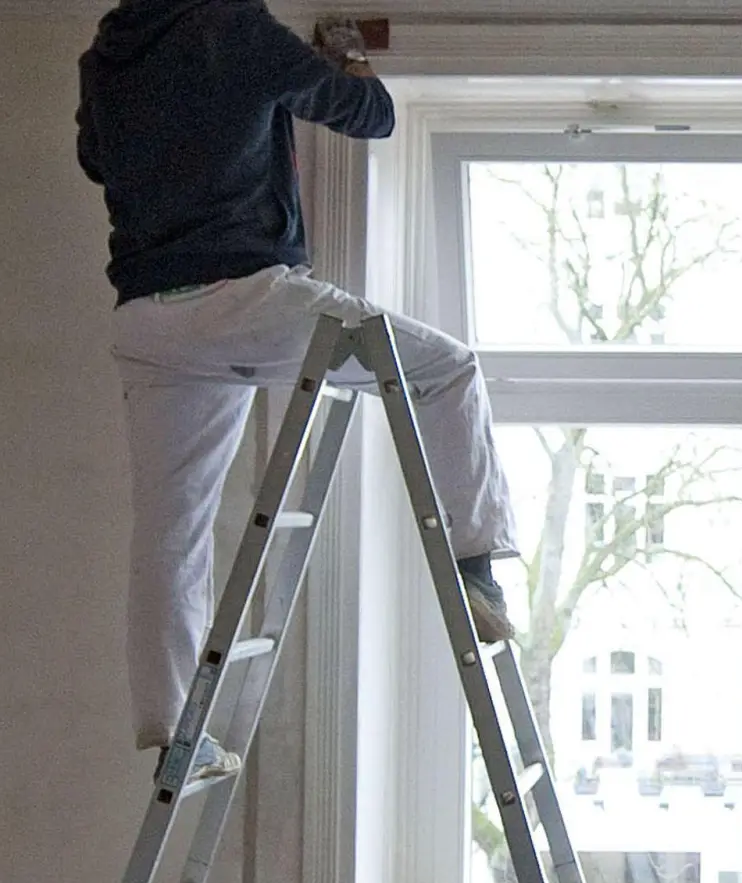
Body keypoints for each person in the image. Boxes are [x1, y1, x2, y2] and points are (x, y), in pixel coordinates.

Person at [75, 0, 519, 781]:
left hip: (147, 318)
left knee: (170, 533)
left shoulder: (109, 50)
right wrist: (343, 59)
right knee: (446, 370)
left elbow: (94, 158)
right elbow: (370, 115)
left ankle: (171, 723)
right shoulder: (234, 29)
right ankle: (476, 558)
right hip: (242, 296)